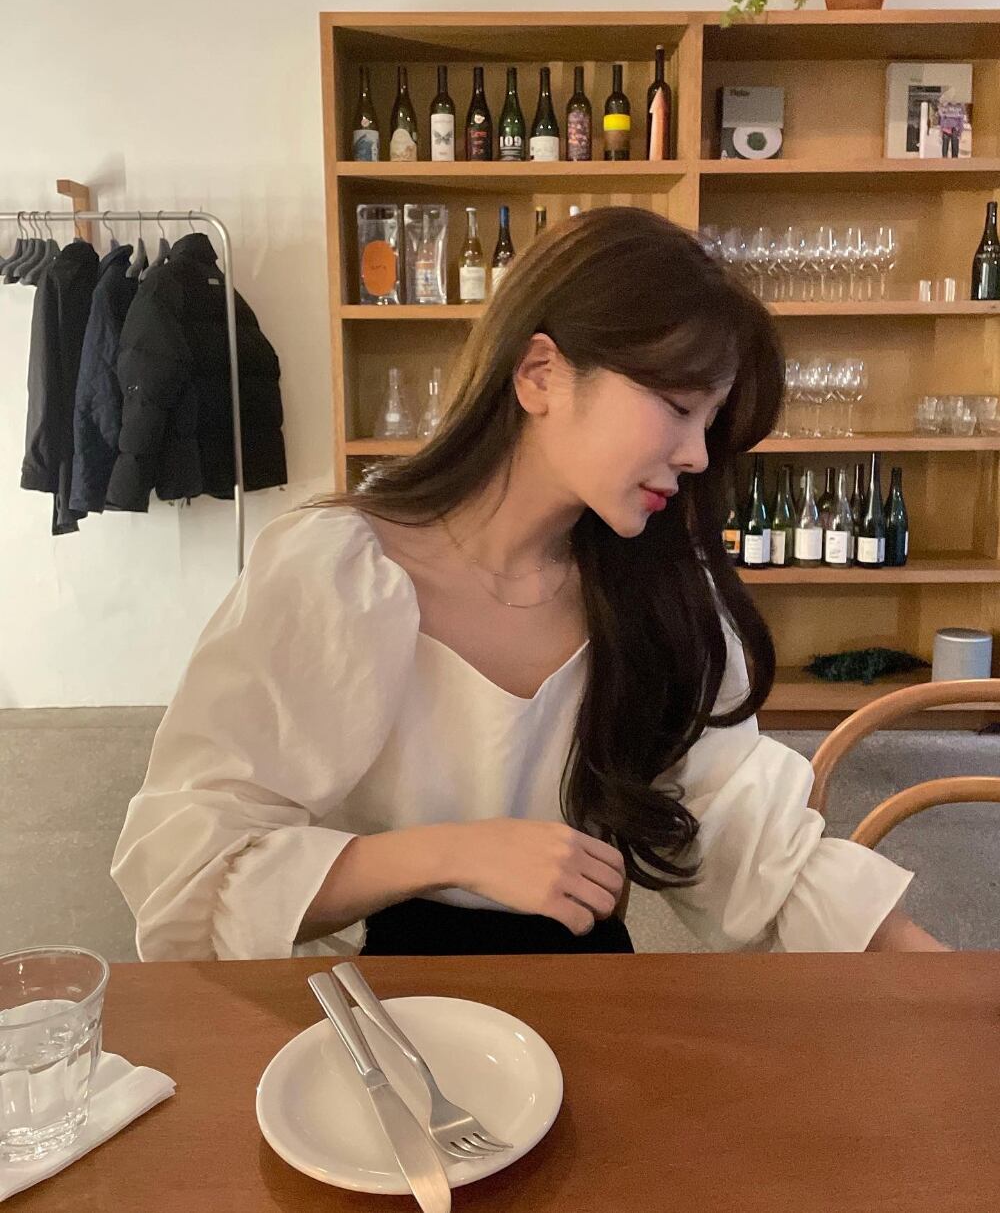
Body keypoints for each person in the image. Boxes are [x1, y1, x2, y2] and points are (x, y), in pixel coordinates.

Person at [111, 207, 947, 959]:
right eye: (676, 405)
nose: (697, 454)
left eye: (711, 422)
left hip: (591, 987)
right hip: (394, 1004)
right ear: (540, 373)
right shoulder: (336, 574)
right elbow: (187, 869)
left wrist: (936, 971)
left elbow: (742, 830)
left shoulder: (657, 592)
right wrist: (450, 853)